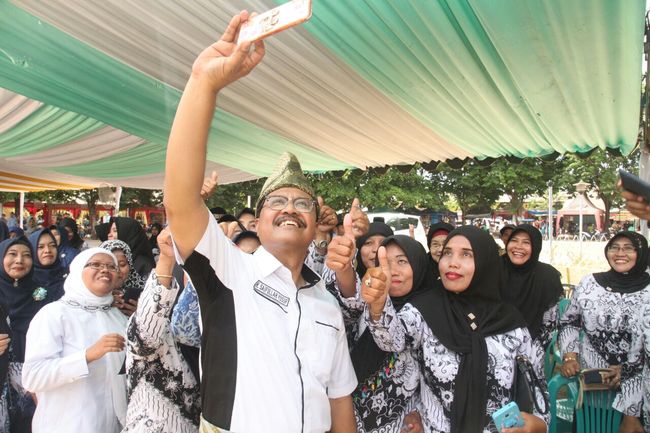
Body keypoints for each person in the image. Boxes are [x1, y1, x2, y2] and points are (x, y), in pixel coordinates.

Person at [163, 11, 356, 433]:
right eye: (278, 201)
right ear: (260, 220)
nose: (290, 208)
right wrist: (204, 83)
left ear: (316, 220)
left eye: (301, 202)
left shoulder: (326, 304)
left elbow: (340, 399)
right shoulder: (229, 270)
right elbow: (180, 200)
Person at [362, 226, 548, 433]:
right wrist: (378, 306)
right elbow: (392, 339)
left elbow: (536, 384)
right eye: (447, 253)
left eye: (466, 254)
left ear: (486, 262)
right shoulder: (424, 310)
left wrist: (538, 424)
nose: (453, 262)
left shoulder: (511, 323)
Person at [328, 234, 429, 432]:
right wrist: (345, 269)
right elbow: (348, 302)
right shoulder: (365, 302)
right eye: (384, 263)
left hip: (398, 423)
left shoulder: (429, 309)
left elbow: (393, 341)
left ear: (418, 265)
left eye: (402, 261)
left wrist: (379, 307)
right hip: (348, 417)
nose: (392, 271)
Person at [22, 248, 128, 432]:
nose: (104, 270)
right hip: (67, 425)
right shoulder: (54, 314)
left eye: (111, 267)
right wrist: (86, 356)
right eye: (95, 264)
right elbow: (33, 377)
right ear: (78, 270)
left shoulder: (118, 318)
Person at [559, 231, 650, 426]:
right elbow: (570, 321)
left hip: (639, 393)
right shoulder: (589, 284)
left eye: (628, 248)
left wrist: (626, 370)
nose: (620, 253)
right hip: (594, 388)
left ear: (641, 253)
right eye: (614, 247)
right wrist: (570, 356)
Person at [122, 228, 200, 432]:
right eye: (193, 277)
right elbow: (145, 338)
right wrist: (166, 259)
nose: (199, 285)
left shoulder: (217, 332)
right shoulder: (157, 327)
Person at [501, 224, 563, 353]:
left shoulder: (547, 276)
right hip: (493, 346)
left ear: (535, 246)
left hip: (533, 348)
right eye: (514, 240)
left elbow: (551, 321)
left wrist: (534, 351)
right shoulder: (493, 270)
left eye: (526, 242)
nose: (518, 246)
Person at [99, 240, 146, 318]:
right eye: (111, 266)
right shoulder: (89, 295)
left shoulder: (145, 293)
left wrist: (141, 315)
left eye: (122, 264)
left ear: (130, 265)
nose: (117, 271)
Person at [28, 228, 67, 303]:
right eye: (40, 247)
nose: (47, 250)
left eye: (52, 245)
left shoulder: (70, 276)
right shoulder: (25, 280)